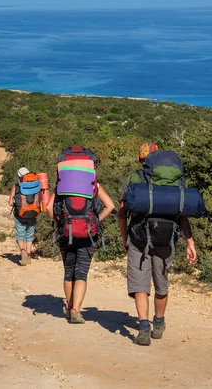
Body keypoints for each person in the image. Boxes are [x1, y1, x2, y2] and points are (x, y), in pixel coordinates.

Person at [118, 143, 197, 345]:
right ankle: (159, 321)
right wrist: (190, 242)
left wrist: (124, 237)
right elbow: (183, 215)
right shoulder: (176, 181)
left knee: (140, 285)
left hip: (138, 238)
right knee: (161, 284)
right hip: (166, 239)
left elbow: (121, 212)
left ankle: (144, 327)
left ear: (141, 160)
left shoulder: (134, 178)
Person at [45, 147, 115, 324]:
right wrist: (95, 221)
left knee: (69, 272)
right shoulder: (93, 185)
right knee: (81, 272)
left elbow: (47, 208)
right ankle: (76, 310)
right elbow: (110, 206)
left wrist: (59, 223)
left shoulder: (62, 186)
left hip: (65, 232)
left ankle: (69, 307)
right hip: (88, 234)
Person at [8, 167, 37, 266]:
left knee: (20, 235)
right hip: (33, 213)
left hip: (20, 214)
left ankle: (22, 251)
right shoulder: (35, 185)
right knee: (29, 235)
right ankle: (28, 255)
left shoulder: (16, 186)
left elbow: (10, 202)